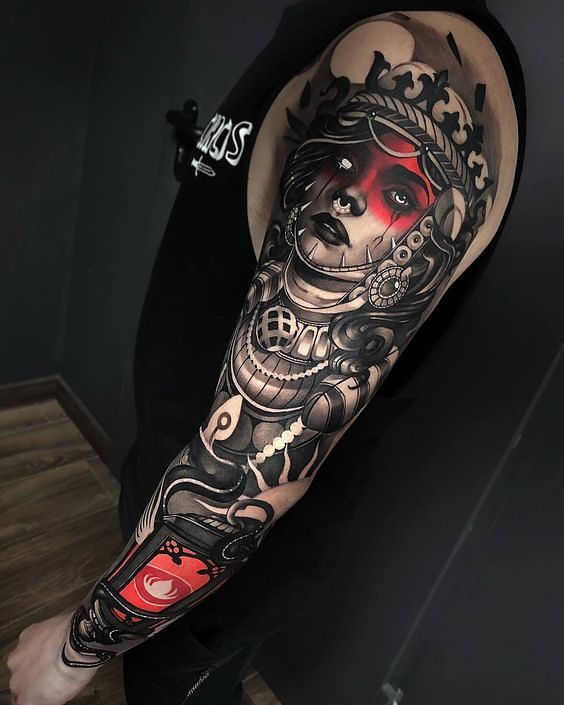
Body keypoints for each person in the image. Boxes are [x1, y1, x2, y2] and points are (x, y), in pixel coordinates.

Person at [7, 2, 525, 704]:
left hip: (218, 567)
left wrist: (74, 650)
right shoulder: (329, 20)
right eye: (340, 164)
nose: (347, 196)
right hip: (168, 502)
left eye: (395, 194)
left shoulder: (420, 46)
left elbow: (239, 482)